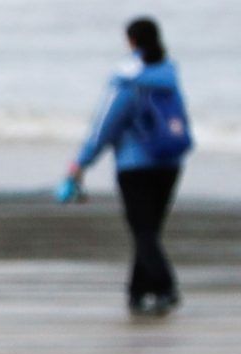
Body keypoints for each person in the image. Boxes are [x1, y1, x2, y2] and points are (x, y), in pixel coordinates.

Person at [66, 16, 191, 315]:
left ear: (132, 41)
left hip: (135, 165)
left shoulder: (128, 78)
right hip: (171, 162)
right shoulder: (169, 73)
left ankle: (164, 286)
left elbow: (106, 126)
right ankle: (138, 290)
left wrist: (80, 163)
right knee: (149, 229)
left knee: (143, 230)